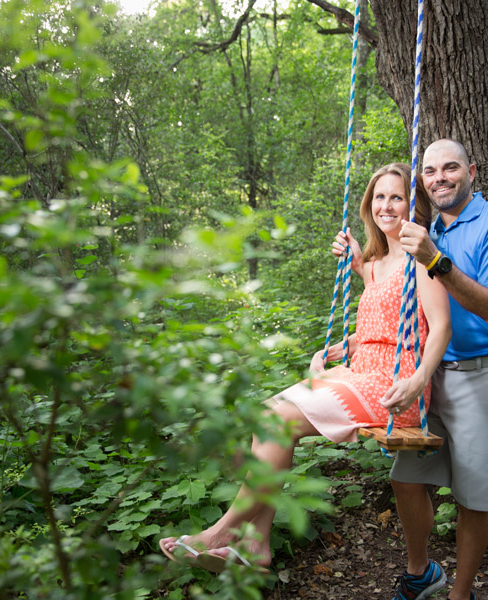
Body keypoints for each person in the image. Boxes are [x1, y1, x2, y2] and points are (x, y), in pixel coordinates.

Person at [159, 163, 452, 573]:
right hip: (359, 373)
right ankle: (258, 542)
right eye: (380, 197)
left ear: (412, 204)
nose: (387, 205)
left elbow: (439, 327)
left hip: (393, 386)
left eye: (397, 196)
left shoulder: (423, 258)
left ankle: (225, 529)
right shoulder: (376, 264)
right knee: (266, 413)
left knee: (280, 420)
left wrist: (418, 378)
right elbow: (384, 323)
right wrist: (339, 347)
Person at [391, 139, 488, 600]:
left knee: (474, 499)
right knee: (406, 478)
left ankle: (461, 595)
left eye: (450, 168)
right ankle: (422, 574)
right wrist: (356, 259)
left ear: (471, 171)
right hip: (435, 377)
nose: (440, 178)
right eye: (430, 171)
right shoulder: (430, 229)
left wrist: (435, 259)